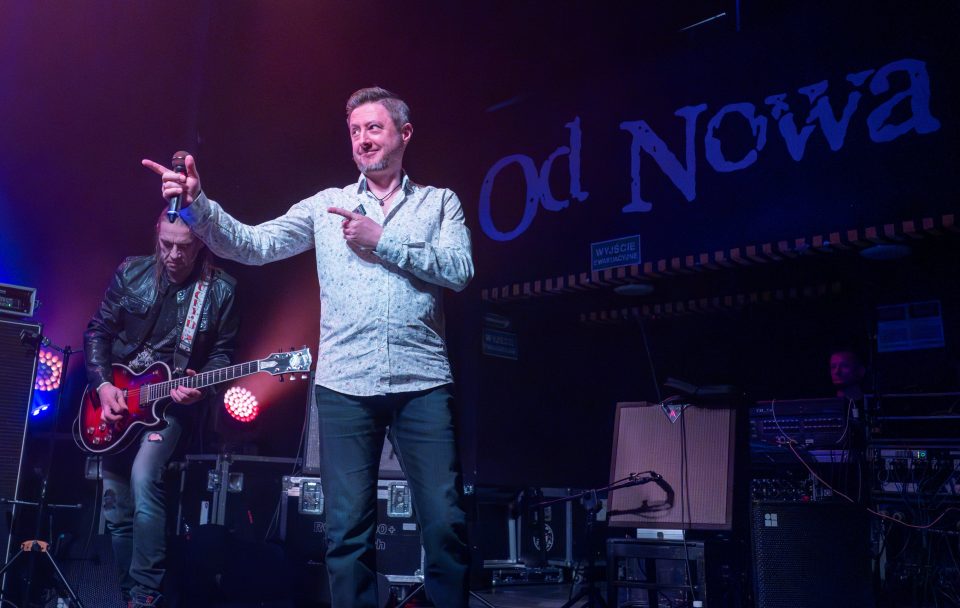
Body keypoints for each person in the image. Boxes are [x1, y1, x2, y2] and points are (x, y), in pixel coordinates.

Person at [142, 87, 474, 608]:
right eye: (355, 131)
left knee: (445, 523)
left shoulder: (440, 203)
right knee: (346, 533)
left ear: (404, 134)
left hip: (423, 382)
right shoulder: (325, 206)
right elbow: (253, 244)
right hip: (344, 388)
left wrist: (381, 239)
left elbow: (459, 269)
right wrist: (197, 206)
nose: (363, 139)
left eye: (374, 127)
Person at [84, 212, 239, 608]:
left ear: (200, 242)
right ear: (157, 233)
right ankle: (128, 596)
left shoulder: (220, 290)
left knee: (144, 476)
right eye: (166, 243)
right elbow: (98, 331)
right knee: (116, 507)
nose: (173, 254)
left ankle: (146, 593)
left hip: (169, 407)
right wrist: (103, 386)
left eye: (183, 246)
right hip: (119, 400)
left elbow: (222, 355)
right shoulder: (130, 272)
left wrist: (202, 387)